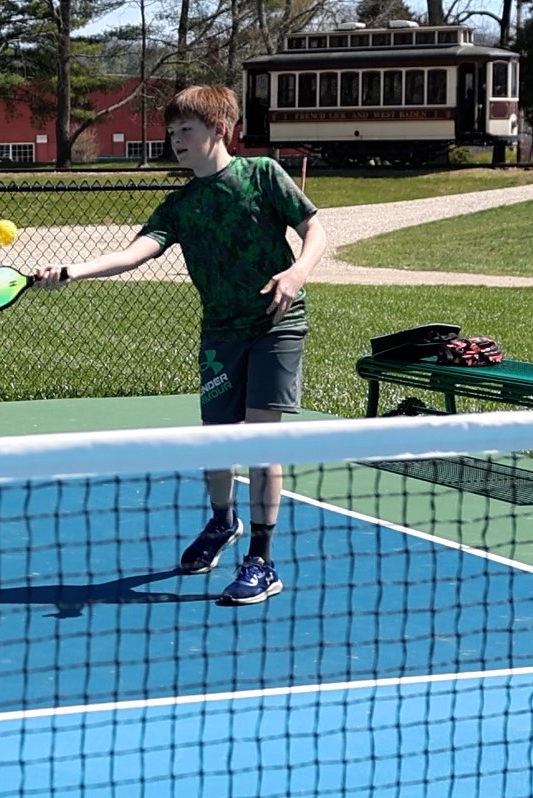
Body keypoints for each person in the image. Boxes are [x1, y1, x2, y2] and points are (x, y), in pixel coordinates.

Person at [34, 84, 327, 605]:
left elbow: (315, 228)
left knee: (261, 443)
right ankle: (223, 522)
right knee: (216, 441)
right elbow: (133, 253)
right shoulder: (181, 205)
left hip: (274, 324)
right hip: (220, 329)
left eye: (185, 130)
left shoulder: (261, 175)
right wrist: (70, 271)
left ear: (220, 129)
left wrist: (297, 271)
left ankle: (261, 559)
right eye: (170, 132)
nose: (175, 140)